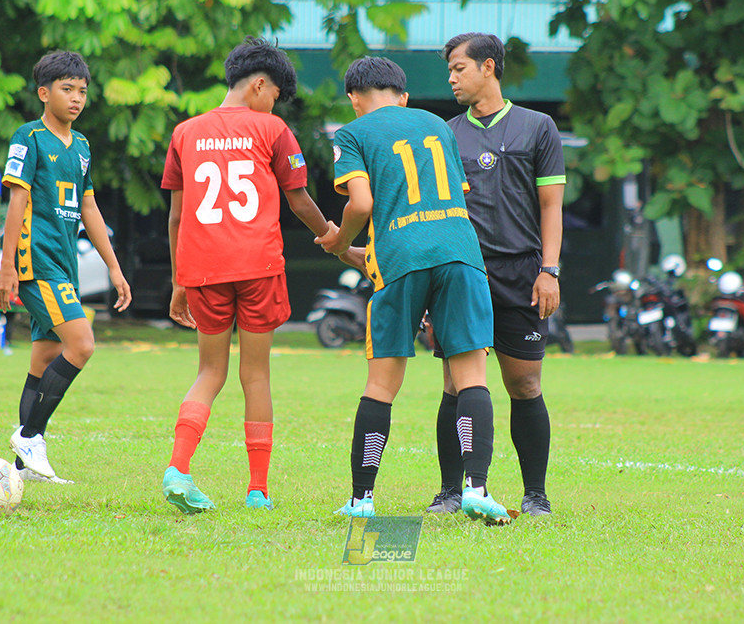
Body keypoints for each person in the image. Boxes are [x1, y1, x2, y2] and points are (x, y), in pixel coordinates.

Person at [317, 56, 510, 525]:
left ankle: (362, 499)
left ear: (354, 98)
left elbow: (361, 203)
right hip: (460, 251)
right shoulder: (436, 125)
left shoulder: (352, 133)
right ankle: (477, 488)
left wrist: (340, 243)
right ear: (402, 95)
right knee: (472, 379)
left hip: (401, 257)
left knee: (382, 385)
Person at [159, 37, 346, 514]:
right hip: (258, 266)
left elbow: (178, 218)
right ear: (260, 85)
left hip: (202, 269)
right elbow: (299, 198)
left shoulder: (185, 132)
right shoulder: (272, 129)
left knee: (209, 371)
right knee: (256, 374)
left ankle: (178, 468)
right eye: (277, 96)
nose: (276, 105)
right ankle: (257, 490)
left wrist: (180, 280)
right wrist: (332, 234)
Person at [426, 32, 566, 517]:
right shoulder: (444, 134)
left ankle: (535, 494)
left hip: (522, 274)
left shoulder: (538, 127)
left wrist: (549, 270)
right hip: (462, 274)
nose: (451, 78)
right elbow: (437, 211)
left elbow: (552, 206)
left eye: (459, 69)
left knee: (525, 385)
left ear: (489, 67)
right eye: (449, 70)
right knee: (454, 384)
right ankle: (449, 491)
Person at [0, 50, 132, 484]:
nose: (76, 98)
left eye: (82, 91)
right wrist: (6, 269)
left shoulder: (84, 147)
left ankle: (22, 467)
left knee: (44, 358)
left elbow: (88, 206)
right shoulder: (29, 137)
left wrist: (113, 267)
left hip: (64, 266)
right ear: (44, 92)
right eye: (67, 89)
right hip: (36, 265)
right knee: (82, 344)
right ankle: (31, 435)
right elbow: (16, 201)